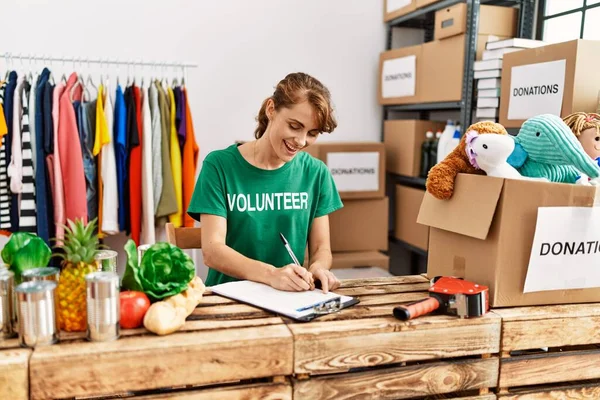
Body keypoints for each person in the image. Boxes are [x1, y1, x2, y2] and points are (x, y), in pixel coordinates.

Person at [187, 72, 343, 293]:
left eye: (312, 133)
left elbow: (321, 247)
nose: (300, 141)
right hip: (229, 299)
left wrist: (319, 267)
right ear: (271, 109)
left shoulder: (316, 173)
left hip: (289, 299)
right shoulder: (219, 166)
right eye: (294, 126)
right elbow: (213, 251)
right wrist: (271, 275)